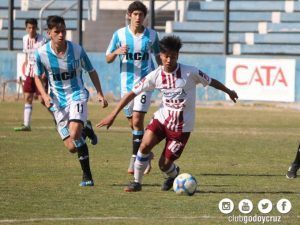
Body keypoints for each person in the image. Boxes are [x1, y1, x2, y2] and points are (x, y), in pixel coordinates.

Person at [97, 35, 238, 192]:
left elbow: (211, 81)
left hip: (181, 128)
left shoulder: (190, 72)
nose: (169, 60)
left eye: (173, 56)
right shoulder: (155, 75)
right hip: (162, 120)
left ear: (177, 55)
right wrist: (113, 114)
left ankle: (173, 175)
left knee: (163, 164)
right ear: (160, 56)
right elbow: (131, 93)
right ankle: (136, 182)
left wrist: (229, 91)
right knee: (144, 145)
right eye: (166, 56)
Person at [34, 15, 108, 186]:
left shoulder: (77, 50)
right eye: (57, 31)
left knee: (75, 133)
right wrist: (45, 96)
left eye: (63, 31)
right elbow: (37, 76)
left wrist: (100, 93)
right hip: (57, 101)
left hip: (77, 94)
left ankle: (87, 176)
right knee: (71, 147)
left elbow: (91, 70)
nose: (61, 35)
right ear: (49, 33)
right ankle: (86, 127)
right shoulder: (42, 53)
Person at [106, 1, 161, 175]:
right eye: (135, 14)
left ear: (145, 17)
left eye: (141, 15)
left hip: (146, 83)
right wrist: (116, 52)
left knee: (137, 119)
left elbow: (159, 58)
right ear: (129, 15)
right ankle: (146, 153)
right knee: (133, 123)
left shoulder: (152, 35)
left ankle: (135, 159)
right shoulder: (119, 35)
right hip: (126, 85)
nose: (138, 17)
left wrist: (164, 77)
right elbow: (108, 58)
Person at [14, 18, 49, 131]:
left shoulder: (42, 40)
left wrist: (45, 72)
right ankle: (26, 124)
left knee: (43, 100)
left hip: (40, 73)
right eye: (29, 27)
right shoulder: (25, 39)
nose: (31, 30)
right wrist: (24, 69)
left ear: (36, 28)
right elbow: (26, 56)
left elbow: (46, 57)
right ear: (26, 28)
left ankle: (59, 120)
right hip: (29, 73)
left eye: (33, 27)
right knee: (28, 97)